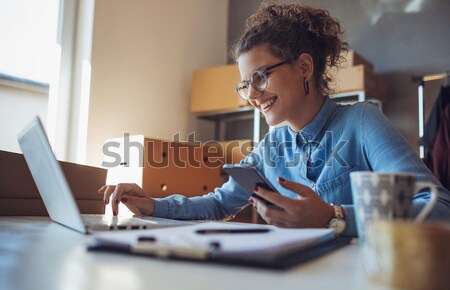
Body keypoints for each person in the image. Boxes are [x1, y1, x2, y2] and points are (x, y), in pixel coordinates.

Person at [99, 3, 450, 237]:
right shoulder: (271, 147)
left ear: (304, 67)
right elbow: (220, 203)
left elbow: (438, 208)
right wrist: (152, 205)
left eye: (261, 77)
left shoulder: (362, 122)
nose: (251, 94)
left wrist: (335, 216)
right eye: (244, 84)